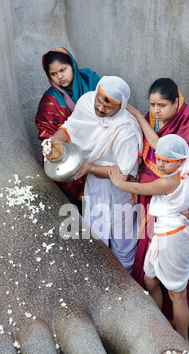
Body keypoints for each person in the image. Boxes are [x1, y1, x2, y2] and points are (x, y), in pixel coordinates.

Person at [127, 78, 189, 345]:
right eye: (152, 104)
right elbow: (152, 144)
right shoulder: (152, 120)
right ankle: (163, 322)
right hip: (157, 208)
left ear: (177, 102)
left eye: (162, 106)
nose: (155, 111)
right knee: (150, 266)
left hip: (186, 210)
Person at [49, 76, 143, 273]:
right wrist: (55, 141)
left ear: (121, 106)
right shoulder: (86, 101)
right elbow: (71, 127)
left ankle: (126, 283)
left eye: (108, 106)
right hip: (94, 181)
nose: (100, 107)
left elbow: (124, 173)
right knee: (95, 230)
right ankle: (99, 277)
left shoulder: (126, 129)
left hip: (121, 190)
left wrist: (89, 168)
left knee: (122, 237)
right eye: (99, 99)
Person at [109, 134, 189, 343]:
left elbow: (141, 189)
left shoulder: (171, 181)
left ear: (180, 160)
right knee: (150, 280)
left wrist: (117, 181)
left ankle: (183, 340)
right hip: (166, 233)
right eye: (158, 159)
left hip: (173, 238)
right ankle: (161, 327)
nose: (160, 164)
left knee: (177, 294)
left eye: (166, 161)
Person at [35, 47, 100, 207]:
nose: (60, 77)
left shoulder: (91, 80)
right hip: (73, 154)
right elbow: (47, 135)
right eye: (54, 74)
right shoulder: (50, 100)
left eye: (63, 70)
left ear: (72, 65)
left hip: (102, 146)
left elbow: (110, 106)